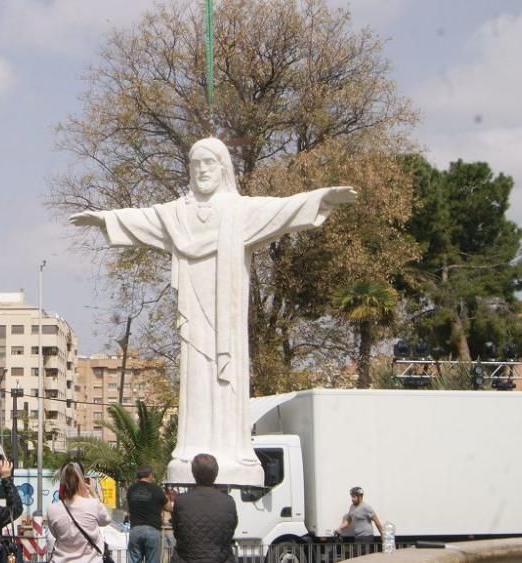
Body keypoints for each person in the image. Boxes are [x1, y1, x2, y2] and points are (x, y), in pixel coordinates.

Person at [71, 137, 357, 485]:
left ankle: (232, 447)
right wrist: (103, 219)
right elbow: (143, 219)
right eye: (196, 164)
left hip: (227, 320)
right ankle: (192, 448)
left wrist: (322, 197)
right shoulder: (178, 214)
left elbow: (283, 209)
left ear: (223, 169)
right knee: (196, 376)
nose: (203, 170)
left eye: (209, 163)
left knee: (226, 379)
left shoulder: (239, 211)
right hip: (194, 317)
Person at [170, 453, 238, 563]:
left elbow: (177, 532)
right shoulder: (228, 502)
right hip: (220, 559)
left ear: (193, 473)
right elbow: (231, 530)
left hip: (186, 558)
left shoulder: (181, 501)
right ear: (216, 473)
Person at [46, 461, 112, 563]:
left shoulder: (52, 509)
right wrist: (93, 493)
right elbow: (106, 520)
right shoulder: (92, 504)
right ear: (81, 480)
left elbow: (55, 534)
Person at [126, 466, 168, 563]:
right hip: (152, 529)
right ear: (150, 475)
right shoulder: (157, 489)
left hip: (135, 529)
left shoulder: (131, 489)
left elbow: (128, 506)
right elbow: (168, 507)